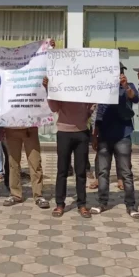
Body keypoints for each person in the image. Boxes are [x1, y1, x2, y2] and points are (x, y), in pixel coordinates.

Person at [91, 63, 139, 218]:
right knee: (103, 172)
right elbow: (99, 113)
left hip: (123, 136)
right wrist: (95, 134)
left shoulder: (128, 86)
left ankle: (131, 205)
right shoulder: (103, 89)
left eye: (119, 72)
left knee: (126, 172)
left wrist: (125, 87)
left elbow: (135, 98)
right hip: (105, 136)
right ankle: (102, 202)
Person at [43, 76, 94, 218]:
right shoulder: (61, 87)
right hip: (64, 133)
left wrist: (92, 107)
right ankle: (60, 204)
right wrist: (49, 89)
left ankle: (82, 204)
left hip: (82, 133)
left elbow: (90, 108)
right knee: (62, 170)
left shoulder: (86, 88)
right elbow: (54, 108)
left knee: (81, 171)